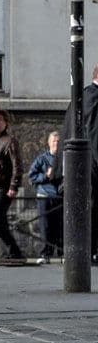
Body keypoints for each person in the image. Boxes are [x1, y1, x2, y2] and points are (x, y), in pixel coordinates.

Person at [63, 63, 98, 263]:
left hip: (80, 164)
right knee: (91, 207)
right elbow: (95, 133)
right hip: (91, 164)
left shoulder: (82, 96)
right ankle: (90, 250)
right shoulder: (93, 97)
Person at [0, 108, 24, 259]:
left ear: (5, 123)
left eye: (0, 120)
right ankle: (13, 253)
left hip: (3, 187)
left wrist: (14, 186)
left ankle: (13, 250)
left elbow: (17, 166)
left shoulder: (9, 141)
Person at [29, 131, 63, 264]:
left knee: (60, 226)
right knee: (45, 227)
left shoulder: (65, 159)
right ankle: (45, 254)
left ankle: (62, 253)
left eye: (58, 141)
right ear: (49, 143)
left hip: (60, 197)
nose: (56, 144)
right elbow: (32, 176)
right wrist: (45, 176)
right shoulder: (41, 159)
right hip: (44, 196)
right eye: (54, 141)